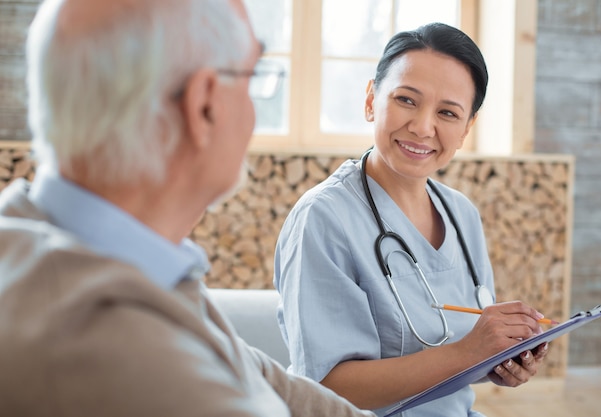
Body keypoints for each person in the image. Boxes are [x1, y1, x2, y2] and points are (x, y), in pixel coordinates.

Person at [0, 0, 378, 416]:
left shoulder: (45, 237)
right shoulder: (123, 356)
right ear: (204, 106)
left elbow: (268, 381)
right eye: (252, 77)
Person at [273, 22, 549, 417]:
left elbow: (452, 356)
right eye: (406, 100)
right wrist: (468, 352)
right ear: (371, 100)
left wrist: (497, 360)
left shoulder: (462, 214)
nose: (422, 127)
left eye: (448, 112)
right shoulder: (323, 218)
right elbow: (325, 387)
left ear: (466, 128)